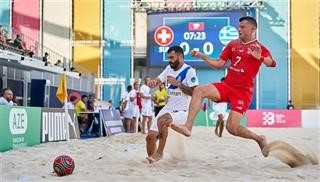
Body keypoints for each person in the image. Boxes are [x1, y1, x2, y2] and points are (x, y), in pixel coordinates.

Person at [171, 16, 277, 157]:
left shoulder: (259, 48)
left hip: (243, 92)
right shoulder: (233, 44)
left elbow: (272, 63)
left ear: (253, 29)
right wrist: (202, 56)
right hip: (227, 86)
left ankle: (259, 139)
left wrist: (261, 58)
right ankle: (188, 127)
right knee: (199, 90)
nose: (239, 29)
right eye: (238, 26)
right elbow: (219, 64)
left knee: (231, 128)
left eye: (243, 27)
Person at [145, 45, 199, 163]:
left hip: (183, 111)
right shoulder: (168, 69)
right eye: (168, 58)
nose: (169, 60)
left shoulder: (189, 71)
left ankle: (160, 153)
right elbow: (158, 80)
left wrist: (178, 84)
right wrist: (152, 82)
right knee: (150, 137)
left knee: (162, 120)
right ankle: (152, 159)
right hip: (168, 108)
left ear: (180, 56)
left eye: (171, 57)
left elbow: (195, 93)